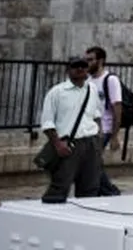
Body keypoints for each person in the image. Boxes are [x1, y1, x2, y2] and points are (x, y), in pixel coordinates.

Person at [39, 56, 104, 202]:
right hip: (69, 144)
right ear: (68, 70)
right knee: (60, 185)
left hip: (90, 142)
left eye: (83, 66)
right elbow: (47, 122)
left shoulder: (92, 89)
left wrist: (99, 134)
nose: (80, 69)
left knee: (90, 185)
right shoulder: (57, 92)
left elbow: (95, 114)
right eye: (76, 66)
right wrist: (58, 144)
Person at [84, 45, 123, 196]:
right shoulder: (88, 80)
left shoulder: (110, 80)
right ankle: (106, 190)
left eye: (91, 60)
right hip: (89, 128)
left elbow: (117, 108)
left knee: (91, 162)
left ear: (100, 61)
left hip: (104, 129)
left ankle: (108, 190)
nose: (87, 63)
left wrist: (114, 135)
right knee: (92, 162)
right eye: (86, 60)